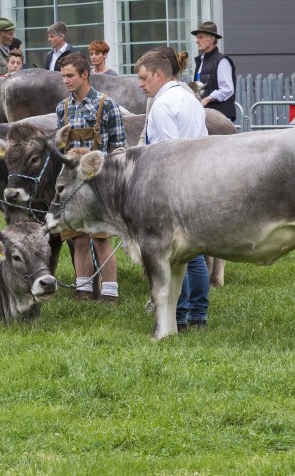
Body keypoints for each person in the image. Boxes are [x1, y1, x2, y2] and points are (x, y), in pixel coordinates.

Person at [137, 49, 210, 330]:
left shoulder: (162, 104)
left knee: (173, 253)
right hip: (198, 179)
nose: (141, 84)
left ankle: (179, 315)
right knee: (196, 253)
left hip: (173, 185)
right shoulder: (190, 98)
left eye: (144, 78)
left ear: (158, 74)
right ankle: (198, 315)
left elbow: (168, 153)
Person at [55, 52, 126, 303]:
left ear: (85, 74)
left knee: (101, 239)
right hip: (73, 186)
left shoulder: (106, 104)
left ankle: (109, 293)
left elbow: (119, 149)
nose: (66, 81)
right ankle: (83, 290)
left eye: (70, 75)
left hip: (98, 184)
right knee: (78, 239)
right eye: (63, 76)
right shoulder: (62, 108)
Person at [192, 21, 236, 122]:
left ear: (211, 39)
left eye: (201, 37)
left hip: (220, 119)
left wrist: (207, 99)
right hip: (206, 116)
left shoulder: (222, 61)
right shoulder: (200, 61)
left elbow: (227, 89)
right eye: (197, 37)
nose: (197, 41)